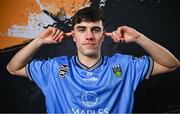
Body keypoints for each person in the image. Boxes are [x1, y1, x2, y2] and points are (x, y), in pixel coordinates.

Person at [7, 6, 179, 113]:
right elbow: (13, 68)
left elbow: (171, 64)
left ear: (103, 36)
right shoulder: (54, 68)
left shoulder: (124, 66)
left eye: (95, 30)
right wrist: (39, 41)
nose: (89, 36)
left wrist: (139, 37)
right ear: (73, 36)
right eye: (82, 30)